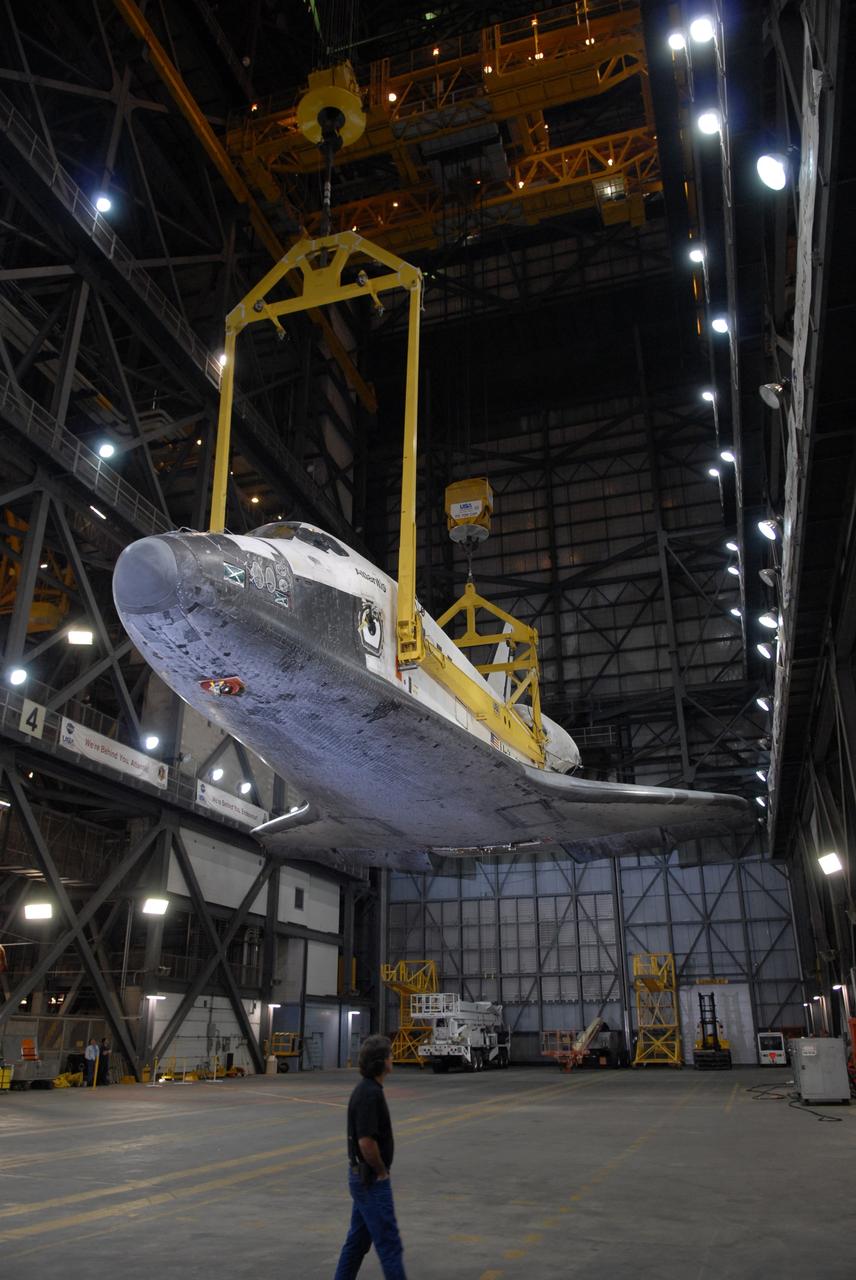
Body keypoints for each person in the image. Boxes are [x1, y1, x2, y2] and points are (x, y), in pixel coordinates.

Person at [333, 1034, 406, 1280]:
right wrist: (381, 1171)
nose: (392, 1058)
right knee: (389, 1244)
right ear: (381, 1062)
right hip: (371, 1180)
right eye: (390, 1055)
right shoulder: (369, 1094)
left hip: (363, 1179)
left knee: (357, 1243)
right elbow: (366, 1142)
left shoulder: (370, 1089)